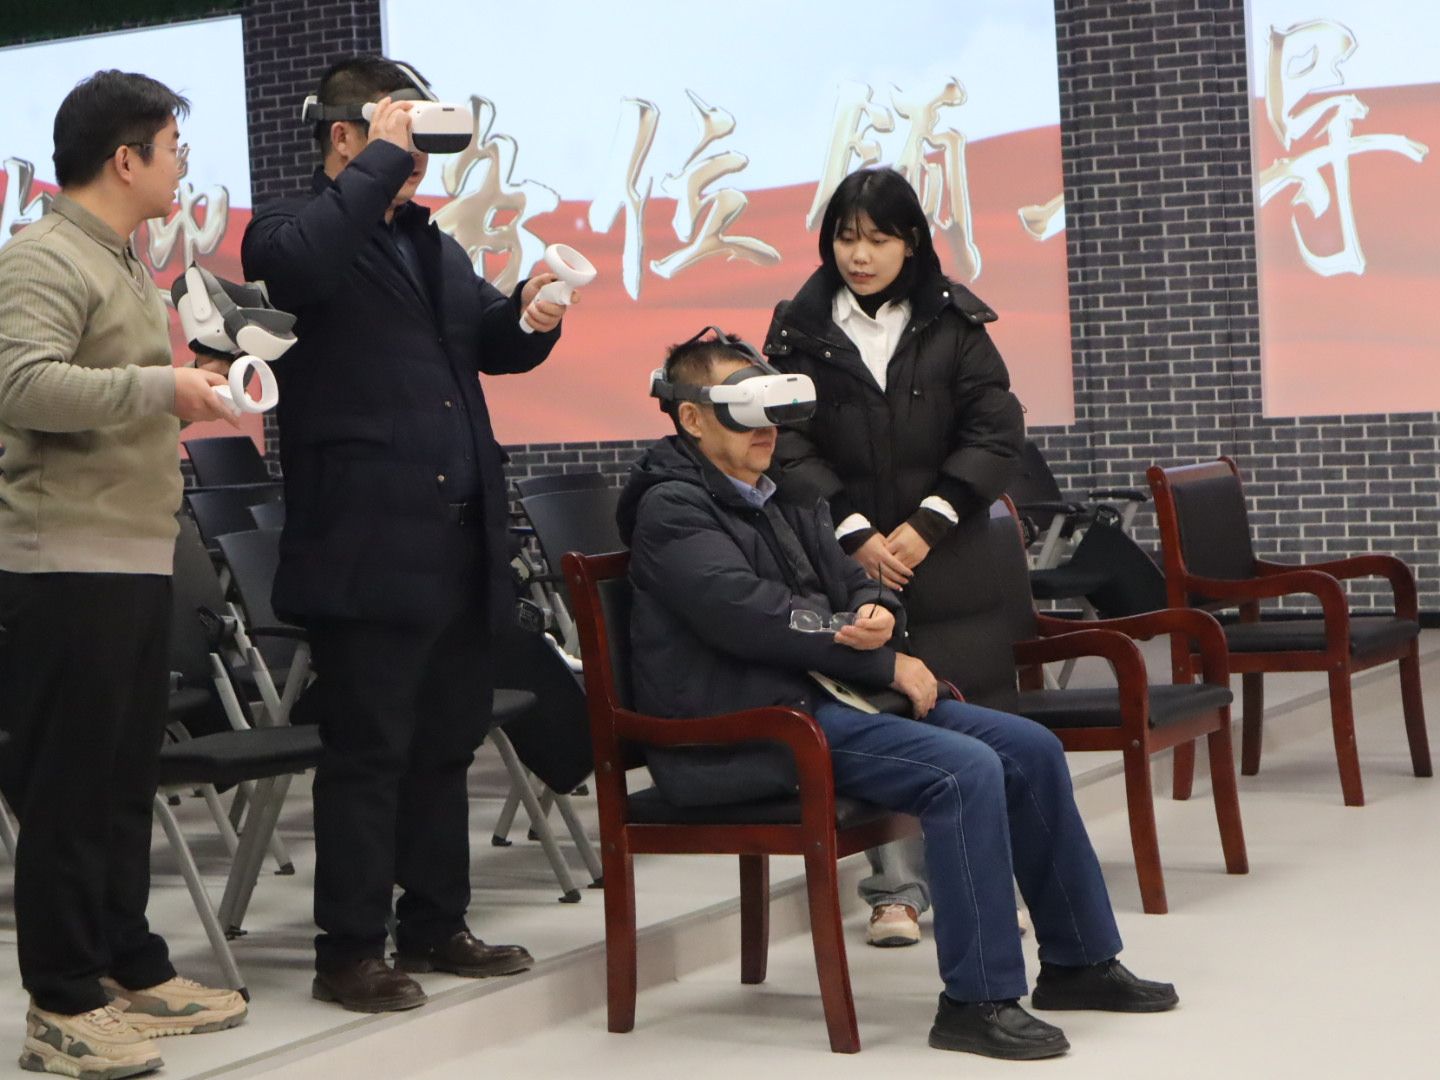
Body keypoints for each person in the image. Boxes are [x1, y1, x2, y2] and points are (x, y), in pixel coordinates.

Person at [617, 331, 1175, 1059]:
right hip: (751, 729)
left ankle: (1079, 962)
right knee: (964, 770)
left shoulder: (781, 496)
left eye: (774, 410)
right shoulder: (672, 508)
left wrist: (879, 611)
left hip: (821, 702)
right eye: (745, 411)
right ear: (692, 418)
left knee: (1031, 748)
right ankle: (977, 1001)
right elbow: (746, 614)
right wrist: (883, 663)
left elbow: (857, 582)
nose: (767, 430)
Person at [241, 56, 568, 1012]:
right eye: (403, 133)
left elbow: (489, 344)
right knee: (368, 753)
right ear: (346, 134)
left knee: (444, 745)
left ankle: (435, 921)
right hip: (364, 544)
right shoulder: (288, 231)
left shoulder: (432, 245)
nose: (420, 157)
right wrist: (382, 160)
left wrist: (532, 314)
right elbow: (301, 271)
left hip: (458, 541)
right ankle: (348, 949)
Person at [0, 70, 248, 1079]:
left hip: (131, 556)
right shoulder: (42, 256)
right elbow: (23, 384)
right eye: (173, 149)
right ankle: (61, 1004)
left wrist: (187, 392)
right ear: (125, 159)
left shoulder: (121, 259)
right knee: (68, 790)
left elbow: (116, 389)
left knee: (119, 782)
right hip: (66, 562)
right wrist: (163, 387)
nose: (182, 166)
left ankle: (126, 964)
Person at [763, 166, 1027, 949]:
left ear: (910, 241)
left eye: (877, 238)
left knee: (969, 716)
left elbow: (995, 432)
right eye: (846, 238)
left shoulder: (955, 322)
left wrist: (931, 520)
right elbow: (786, 441)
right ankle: (894, 893)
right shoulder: (798, 328)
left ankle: (986, 884)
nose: (859, 255)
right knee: (876, 711)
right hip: (846, 558)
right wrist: (851, 531)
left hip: (946, 556)